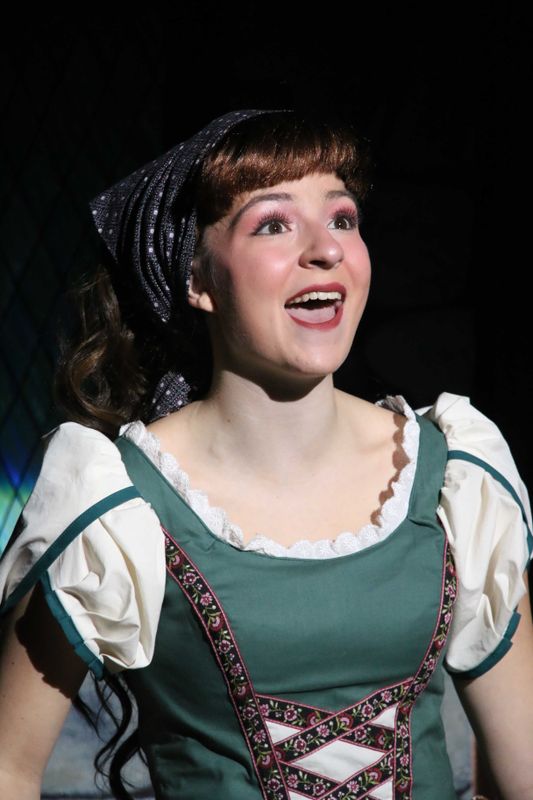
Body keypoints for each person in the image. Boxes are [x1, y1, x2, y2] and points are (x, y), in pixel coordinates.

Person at [0, 108, 532, 800]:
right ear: (196, 278)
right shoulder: (117, 506)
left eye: (342, 218)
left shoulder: (451, 477)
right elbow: (8, 767)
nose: (326, 248)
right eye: (273, 224)